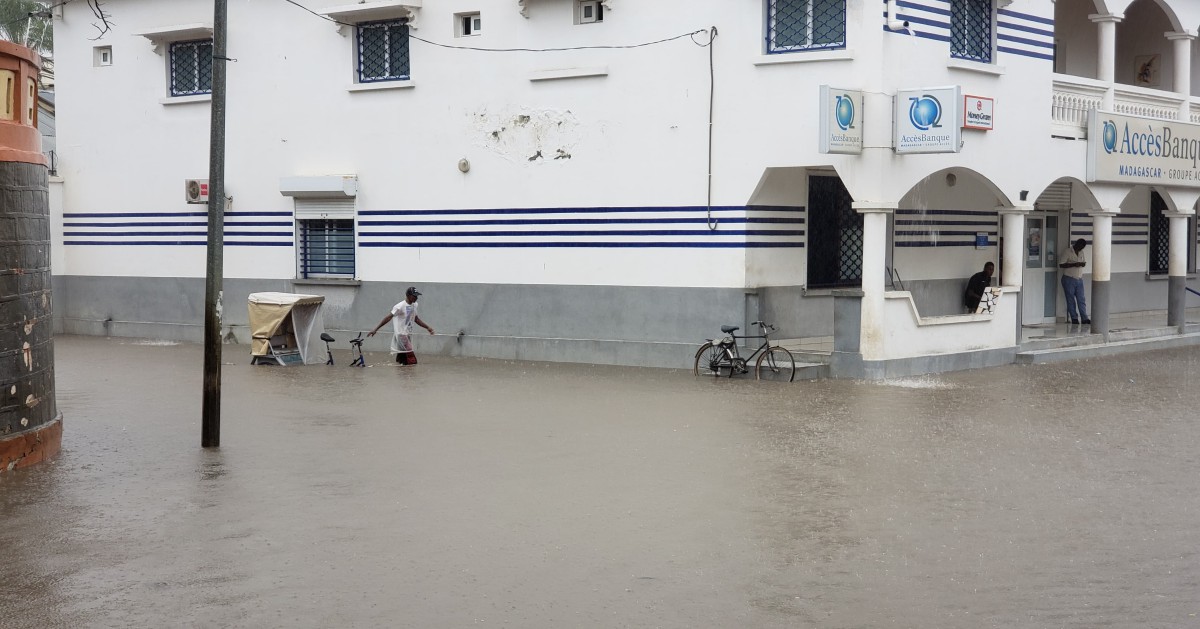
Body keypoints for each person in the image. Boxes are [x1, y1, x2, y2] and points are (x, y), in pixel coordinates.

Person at [368, 286, 435, 365]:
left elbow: (416, 319)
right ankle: (408, 376)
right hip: (401, 335)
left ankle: (401, 375)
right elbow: (388, 317)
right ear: (408, 295)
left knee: (402, 361)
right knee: (412, 361)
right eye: (414, 296)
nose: (416, 298)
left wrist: (428, 327)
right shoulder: (400, 306)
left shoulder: (414, 305)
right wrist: (375, 329)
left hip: (407, 334)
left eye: (417, 296)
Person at [1059, 238, 1090, 325]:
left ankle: (1084, 318)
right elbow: (1061, 264)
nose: (1081, 248)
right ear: (1076, 244)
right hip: (1069, 278)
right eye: (1080, 246)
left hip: (1079, 279)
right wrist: (1074, 264)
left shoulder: (1081, 252)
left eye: (1083, 247)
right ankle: (1074, 318)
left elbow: (1083, 261)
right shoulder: (1067, 251)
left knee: (1081, 299)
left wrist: (1082, 264)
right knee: (1070, 299)